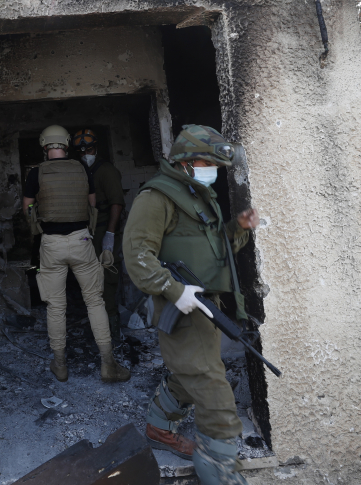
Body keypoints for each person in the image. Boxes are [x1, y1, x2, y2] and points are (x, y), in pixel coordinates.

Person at [122, 124, 260, 485]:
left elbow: (216, 250)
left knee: (196, 369)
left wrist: (239, 228)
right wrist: (173, 290)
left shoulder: (197, 195)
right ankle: (219, 468)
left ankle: (158, 427)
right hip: (181, 305)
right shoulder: (157, 197)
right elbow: (137, 256)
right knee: (212, 386)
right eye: (206, 161)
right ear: (185, 162)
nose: (211, 169)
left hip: (203, 302)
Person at [22, 125, 131, 384]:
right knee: (95, 302)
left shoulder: (35, 172)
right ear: (67, 144)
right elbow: (92, 204)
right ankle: (108, 364)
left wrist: (37, 226)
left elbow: (27, 208)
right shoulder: (82, 169)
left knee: (56, 306)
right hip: (82, 239)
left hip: (51, 244)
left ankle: (60, 365)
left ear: (44, 145)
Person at [73, 128, 126, 343]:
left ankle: (113, 332)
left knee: (107, 279)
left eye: (90, 149)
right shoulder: (80, 170)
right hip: (88, 233)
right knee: (89, 281)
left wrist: (110, 235)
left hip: (105, 230)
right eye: (82, 150)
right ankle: (98, 329)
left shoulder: (106, 171)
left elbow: (116, 203)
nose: (86, 153)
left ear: (97, 148)